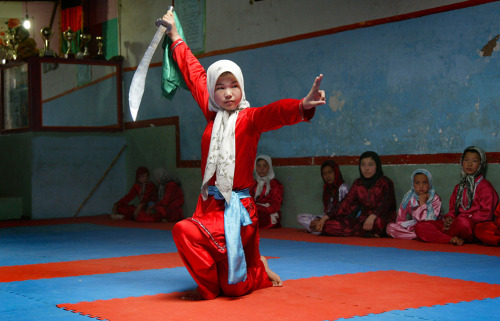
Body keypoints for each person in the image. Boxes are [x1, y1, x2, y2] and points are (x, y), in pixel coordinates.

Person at [162, 11, 326, 301]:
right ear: (213, 92)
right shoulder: (211, 113)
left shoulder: (249, 118)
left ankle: (256, 270)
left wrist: (302, 105)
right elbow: (193, 71)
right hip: (210, 206)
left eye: (233, 85)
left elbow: (274, 112)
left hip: (239, 212)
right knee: (183, 231)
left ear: (242, 87)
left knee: (237, 289)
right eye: (220, 87)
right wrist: (174, 34)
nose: (227, 93)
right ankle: (210, 288)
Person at [415, 146, 499, 245]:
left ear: (481, 165)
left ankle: (443, 237)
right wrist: (449, 219)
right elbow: (452, 211)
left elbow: (486, 214)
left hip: (470, 225)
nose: (469, 164)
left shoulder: (486, 187)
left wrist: (463, 218)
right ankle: (450, 239)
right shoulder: (459, 187)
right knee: (420, 227)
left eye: (474, 161)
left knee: (464, 223)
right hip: (455, 225)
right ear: (461, 162)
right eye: (466, 160)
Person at [314, 151, 397, 237]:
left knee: (379, 223)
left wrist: (373, 216)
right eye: (363, 165)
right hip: (363, 220)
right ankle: (367, 233)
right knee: (328, 225)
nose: (366, 168)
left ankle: (367, 232)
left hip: (381, 218)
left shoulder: (386, 183)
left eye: (370, 164)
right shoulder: (358, 184)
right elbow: (345, 203)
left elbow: (385, 205)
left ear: (377, 166)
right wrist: (325, 218)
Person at [297, 159, 350, 234]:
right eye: (324, 174)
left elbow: (343, 213)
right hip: (327, 218)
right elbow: (327, 211)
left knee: (333, 225)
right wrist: (319, 219)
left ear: (336, 172)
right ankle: (317, 227)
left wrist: (324, 220)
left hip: (340, 220)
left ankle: (316, 228)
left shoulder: (343, 188)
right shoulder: (327, 189)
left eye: (330, 172)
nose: (327, 176)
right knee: (300, 217)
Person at [386, 169, 442, 240]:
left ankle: (416, 235)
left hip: (428, 227)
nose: (421, 186)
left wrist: (422, 203)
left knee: (424, 228)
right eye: (417, 183)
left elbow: (428, 221)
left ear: (429, 183)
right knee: (390, 227)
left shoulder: (435, 198)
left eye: (424, 182)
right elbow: (400, 220)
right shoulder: (408, 197)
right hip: (414, 228)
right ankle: (416, 236)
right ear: (413, 184)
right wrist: (409, 226)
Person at [250, 155, 284, 228]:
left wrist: (257, 208)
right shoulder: (253, 184)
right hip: (255, 212)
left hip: (268, 214)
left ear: (269, 168)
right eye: (258, 166)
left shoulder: (275, 184)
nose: (261, 169)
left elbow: (276, 206)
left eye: (265, 166)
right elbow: (249, 201)